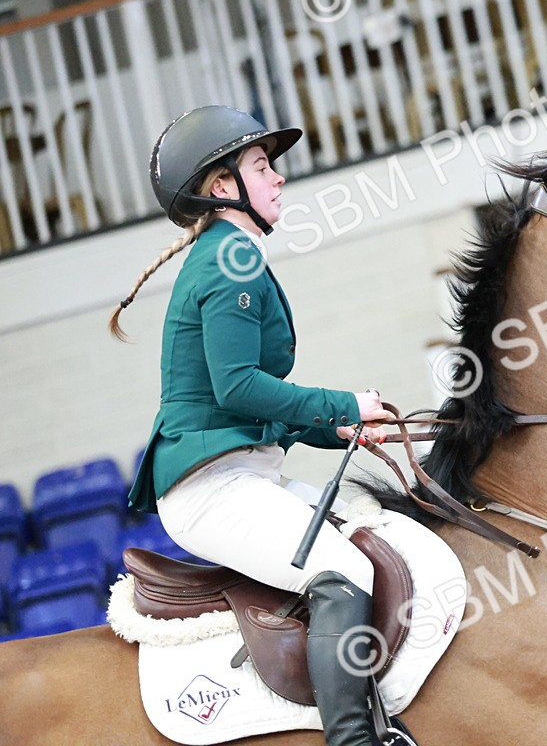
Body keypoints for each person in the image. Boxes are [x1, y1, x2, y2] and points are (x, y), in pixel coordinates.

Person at [113, 105, 389, 746]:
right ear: (221, 187)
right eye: (262, 166)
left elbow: (248, 406)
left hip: (246, 473)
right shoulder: (227, 257)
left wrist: (341, 429)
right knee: (345, 573)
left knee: (376, 527)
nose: (279, 178)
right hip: (212, 490)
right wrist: (345, 405)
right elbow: (238, 386)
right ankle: (354, 740)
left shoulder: (235, 253)